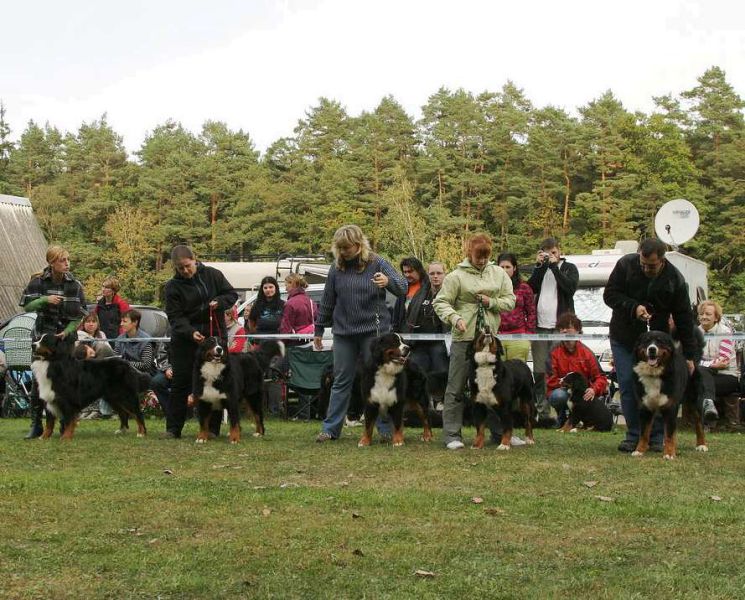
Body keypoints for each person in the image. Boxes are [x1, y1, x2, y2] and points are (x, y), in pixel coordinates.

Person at [313, 224, 407, 442]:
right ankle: (330, 428)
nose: (343, 252)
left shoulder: (378, 262)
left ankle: (384, 430)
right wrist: (319, 328)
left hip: (373, 334)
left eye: (347, 248)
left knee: (380, 379)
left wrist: (388, 282)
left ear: (358, 245)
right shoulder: (336, 268)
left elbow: (402, 286)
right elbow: (328, 300)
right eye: (340, 248)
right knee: (341, 379)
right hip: (344, 332)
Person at [603, 238, 697, 453]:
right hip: (624, 337)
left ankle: (656, 437)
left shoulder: (675, 279)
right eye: (643, 263)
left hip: (658, 341)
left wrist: (689, 355)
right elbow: (609, 295)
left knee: (659, 389)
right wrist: (633, 307)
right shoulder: (625, 265)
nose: (646, 268)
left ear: (662, 260)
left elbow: (684, 319)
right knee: (627, 383)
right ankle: (634, 435)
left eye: (651, 265)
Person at [433, 233, 516, 450]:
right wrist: (455, 318)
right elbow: (440, 303)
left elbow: (510, 301)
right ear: (468, 252)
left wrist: (492, 302)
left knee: (496, 389)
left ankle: (499, 433)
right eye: (478, 256)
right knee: (456, 387)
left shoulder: (498, 274)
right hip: (465, 339)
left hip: (490, 340)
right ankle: (452, 435)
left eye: (485, 256)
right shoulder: (455, 276)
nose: (481, 260)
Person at [163, 245, 238, 439]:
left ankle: (212, 429)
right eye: (180, 269)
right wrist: (190, 332)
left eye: (187, 266)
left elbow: (231, 294)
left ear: (194, 259)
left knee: (215, 382)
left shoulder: (213, 275)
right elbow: (174, 316)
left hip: (213, 337)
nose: (185, 271)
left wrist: (220, 302)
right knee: (180, 382)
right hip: (185, 340)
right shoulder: (172, 286)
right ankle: (173, 429)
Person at [19, 245, 87, 439]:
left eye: (68, 260)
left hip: (65, 341)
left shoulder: (75, 285)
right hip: (43, 336)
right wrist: (44, 300)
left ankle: (66, 423)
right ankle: (36, 425)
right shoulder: (38, 282)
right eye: (62, 260)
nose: (67, 264)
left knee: (66, 383)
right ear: (51, 262)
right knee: (39, 381)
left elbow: (80, 315)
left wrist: (67, 331)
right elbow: (26, 305)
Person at [527, 237, 579, 426]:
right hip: (540, 327)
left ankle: (562, 414)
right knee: (539, 371)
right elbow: (530, 287)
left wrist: (555, 266)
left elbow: (570, 288)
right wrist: (540, 266)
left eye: (553, 252)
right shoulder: (540, 268)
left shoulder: (569, 267)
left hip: (560, 328)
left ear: (559, 251)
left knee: (558, 371)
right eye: (546, 252)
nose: (550, 256)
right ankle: (543, 413)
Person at [393, 257, 449, 386]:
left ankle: (439, 400)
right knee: (417, 373)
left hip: (440, 343)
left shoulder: (451, 292)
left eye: (439, 273)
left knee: (441, 372)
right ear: (428, 275)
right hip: (417, 343)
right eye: (432, 273)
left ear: (445, 274)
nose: (435, 276)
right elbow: (404, 317)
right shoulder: (414, 292)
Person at [545, 312, 608, 425]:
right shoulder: (553, 352)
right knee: (559, 396)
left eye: (568, 328)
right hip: (562, 391)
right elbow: (550, 380)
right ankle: (563, 417)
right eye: (561, 328)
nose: (564, 331)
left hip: (582, 393)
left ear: (578, 330)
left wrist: (593, 389)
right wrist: (569, 387)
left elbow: (601, 378)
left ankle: (583, 420)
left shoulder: (587, 353)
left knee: (582, 396)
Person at [697, 300, 740, 428]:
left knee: (701, 379)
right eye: (701, 314)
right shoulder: (695, 333)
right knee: (702, 374)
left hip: (726, 376)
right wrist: (709, 364)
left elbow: (723, 362)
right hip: (705, 375)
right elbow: (691, 358)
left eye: (708, 314)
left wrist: (702, 363)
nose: (704, 317)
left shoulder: (725, 332)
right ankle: (709, 408)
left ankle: (707, 423)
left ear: (716, 317)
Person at [248, 276, 286, 416]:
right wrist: (254, 341)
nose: (268, 290)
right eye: (265, 287)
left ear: (275, 288)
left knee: (275, 375)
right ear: (262, 290)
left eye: (271, 287)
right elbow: (251, 324)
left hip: (277, 346)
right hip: (261, 346)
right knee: (257, 376)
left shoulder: (283, 305)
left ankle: (274, 410)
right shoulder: (257, 305)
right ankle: (258, 409)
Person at [497, 252, 536, 362]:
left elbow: (531, 312)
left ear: (514, 268)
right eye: (502, 267)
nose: (504, 270)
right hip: (497, 338)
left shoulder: (524, 287)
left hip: (519, 337)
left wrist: (528, 336)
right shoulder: (492, 287)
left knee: (517, 375)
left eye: (508, 267)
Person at [77, 313, 116, 420]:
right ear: (83, 323)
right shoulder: (79, 334)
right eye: (88, 322)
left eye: (93, 322)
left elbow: (109, 351)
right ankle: (87, 409)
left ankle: (102, 411)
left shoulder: (101, 335)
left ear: (97, 324)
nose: (91, 324)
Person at [115, 309, 156, 375]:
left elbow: (146, 365)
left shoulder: (146, 340)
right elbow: (116, 358)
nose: (121, 324)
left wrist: (125, 363)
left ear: (135, 322)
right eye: (121, 321)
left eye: (124, 321)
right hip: (125, 372)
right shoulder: (119, 339)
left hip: (143, 375)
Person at [279, 273, 317, 344]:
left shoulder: (289, 304)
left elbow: (286, 328)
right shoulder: (311, 301)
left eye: (286, 285)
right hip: (309, 340)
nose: (285, 288)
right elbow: (316, 318)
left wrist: (281, 343)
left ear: (292, 284)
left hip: (294, 342)